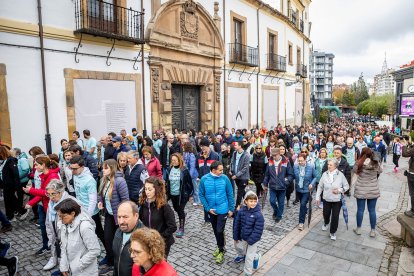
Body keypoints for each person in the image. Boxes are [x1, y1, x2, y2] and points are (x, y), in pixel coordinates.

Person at [23, 155, 60, 255]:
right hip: (44, 205)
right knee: (45, 227)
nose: (35, 167)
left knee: (54, 231)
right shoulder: (44, 175)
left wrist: (31, 190)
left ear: (43, 165)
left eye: (36, 165)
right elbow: (43, 193)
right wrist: (31, 203)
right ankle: (47, 247)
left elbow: (47, 193)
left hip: (51, 207)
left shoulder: (52, 176)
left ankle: (57, 252)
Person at [98, 159, 129, 274]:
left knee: (118, 242)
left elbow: (126, 200)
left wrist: (122, 217)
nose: (103, 170)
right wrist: (101, 201)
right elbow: (101, 194)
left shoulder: (120, 181)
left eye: (106, 168)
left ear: (112, 168)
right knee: (107, 239)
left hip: (119, 217)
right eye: (103, 168)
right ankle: (110, 261)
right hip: (109, 215)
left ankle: (118, 264)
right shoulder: (104, 180)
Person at [199, 161, 234, 264]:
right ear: (213, 170)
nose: (222, 172)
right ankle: (220, 246)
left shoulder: (225, 178)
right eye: (220, 170)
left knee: (219, 230)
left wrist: (231, 209)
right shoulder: (204, 179)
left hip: (223, 209)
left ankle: (221, 250)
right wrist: (208, 208)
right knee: (215, 230)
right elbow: (201, 194)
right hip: (211, 210)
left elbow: (230, 193)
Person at [55, 198, 100, 276]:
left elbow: (95, 250)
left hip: (85, 272)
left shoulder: (85, 227)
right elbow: (63, 246)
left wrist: (78, 266)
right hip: (71, 271)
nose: (60, 220)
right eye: (59, 216)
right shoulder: (64, 224)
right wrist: (63, 266)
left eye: (63, 216)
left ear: (72, 213)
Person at [44, 179, 81, 272]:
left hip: (70, 238)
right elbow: (48, 223)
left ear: (61, 192)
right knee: (57, 247)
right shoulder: (51, 203)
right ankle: (55, 259)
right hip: (56, 234)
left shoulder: (71, 203)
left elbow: (81, 221)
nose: (51, 197)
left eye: (53, 194)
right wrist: (50, 237)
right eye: (48, 194)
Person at [69, 155, 105, 246]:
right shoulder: (75, 175)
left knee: (99, 234)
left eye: (74, 169)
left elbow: (93, 201)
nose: (72, 171)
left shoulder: (90, 180)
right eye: (71, 168)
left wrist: (88, 216)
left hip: (91, 214)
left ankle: (110, 255)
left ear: (82, 167)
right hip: (80, 211)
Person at [139, 176, 177, 258]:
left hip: (162, 242)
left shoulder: (164, 206)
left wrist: (159, 237)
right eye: (145, 189)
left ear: (156, 190)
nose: (147, 192)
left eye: (150, 189)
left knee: (159, 265)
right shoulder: (143, 204)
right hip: (148, 241)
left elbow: (173, 226)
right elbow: (141, 220)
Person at [315, 158, 349, 241]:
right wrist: (317, 197)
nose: (328, 166)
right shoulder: (324, 174)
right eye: (328, 164)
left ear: (335, 166)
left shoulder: (340, 175)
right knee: (326, 214)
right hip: (326, 198)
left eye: (330, 165)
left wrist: (339, 190)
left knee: (335, 216)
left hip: (337, 200)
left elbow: (346, 186)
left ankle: (333, 232)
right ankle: (326, 223)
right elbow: (320, 186)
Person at [352, 147, 382, 238]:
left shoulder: (358, 163)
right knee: (372, 210)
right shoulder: (376, 163)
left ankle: (359, 229)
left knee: (360, 210)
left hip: (361, 189)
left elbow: (354, 171)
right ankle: (372, 231)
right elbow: (381, 171)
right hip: (373, 190)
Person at [233, 191, 264, 276]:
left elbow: (258, 230)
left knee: (249, 257)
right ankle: (256, 257)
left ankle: (247, 273)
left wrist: (251, 240)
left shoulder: (258, 215)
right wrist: (236, 237)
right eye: (251, 201)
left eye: (255, 201)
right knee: (244, 252)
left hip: (253, 240)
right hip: (244, 237)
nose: (253, 203)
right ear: (245, 201)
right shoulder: (241, 211)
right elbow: (237, 224)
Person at [165, 153, 193, 238]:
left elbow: (189, 184)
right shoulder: (169, 169)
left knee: (180, 210)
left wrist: (190, 195)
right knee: (176, 208)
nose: (173, 162)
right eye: (172, 160)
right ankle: (183, 215)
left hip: (182, 195)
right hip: (172, 194)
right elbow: (167, 182)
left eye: (175, 160)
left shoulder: (184, 170)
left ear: (179, 161)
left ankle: (181, 228)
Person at [112, 201, 143, 276]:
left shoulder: (143, 238)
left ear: (136, 216)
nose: (121, 221)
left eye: (125, 217)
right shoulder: (118, 232)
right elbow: (116, 259)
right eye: (119, 217)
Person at [262, 148, 293, 223]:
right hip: (272, 186)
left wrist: (286, 182)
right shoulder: (270, 161)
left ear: (279, 154)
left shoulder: (286, 162)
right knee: (272, 201)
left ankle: (279, 216)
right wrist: (265, 184)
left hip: (282, 187)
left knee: (281, 203)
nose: (273, 157)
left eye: (275, 155)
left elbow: (290, 175)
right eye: (272, 155)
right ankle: (276, 211)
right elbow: (267, 174)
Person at [197, 138, 220, 223]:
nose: (202, 148)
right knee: (204, 198)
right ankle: (206, 217)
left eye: (204, 147)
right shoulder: (199, 155)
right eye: (201, 147)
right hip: (203, 181)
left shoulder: (215, 156)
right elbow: (197, 167)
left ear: (208, 146)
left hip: (212, 181)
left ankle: (213, 214)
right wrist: (199, 176)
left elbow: (219, 168)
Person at [0, 146, 25, 221]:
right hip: (5, 184)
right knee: (8, 200)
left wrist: (17, 186)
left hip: (10, 184)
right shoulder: (4, 161)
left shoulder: (11, 160)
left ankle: (21, 211)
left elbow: (15, 174)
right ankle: (11, 215)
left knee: (10, 200)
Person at [293, 154, 316, 230]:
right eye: (298, 160)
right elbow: (292, 176)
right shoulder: (295, 167)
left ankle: (301, 223)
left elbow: (315, 177)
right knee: (302, 205)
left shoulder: (311, 167)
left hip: (307, 190)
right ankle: (305, 211)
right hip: (298, 189)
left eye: (301, 160)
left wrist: (312, 184)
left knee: (302, 204)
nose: (300, 162)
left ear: (305, 160)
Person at [230, 141, 251, 209]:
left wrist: (236, 175)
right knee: (241, 190)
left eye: (236, 145)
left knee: (239, 193)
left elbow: (245, 168)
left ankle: (237, 208)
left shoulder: (246, 155)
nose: (234, 146)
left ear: (240, 146)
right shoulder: (234, 153)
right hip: (236, 176)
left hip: (243, 177)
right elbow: (232, 162)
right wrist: (231, 170)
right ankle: (249, 202)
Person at [183, 142, 199, 206]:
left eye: (183, 146)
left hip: (192, 175)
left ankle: (196, 200)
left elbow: (192, 166)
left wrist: (189, 176)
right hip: (187, 173)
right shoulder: (185, 154)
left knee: (195, 188)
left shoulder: (191, 155)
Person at [401, 138, 414, 217]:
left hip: (413, 174)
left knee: (413, 193)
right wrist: (410, 144)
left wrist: (404, 146)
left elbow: (405, 154)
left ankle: (413, 211)